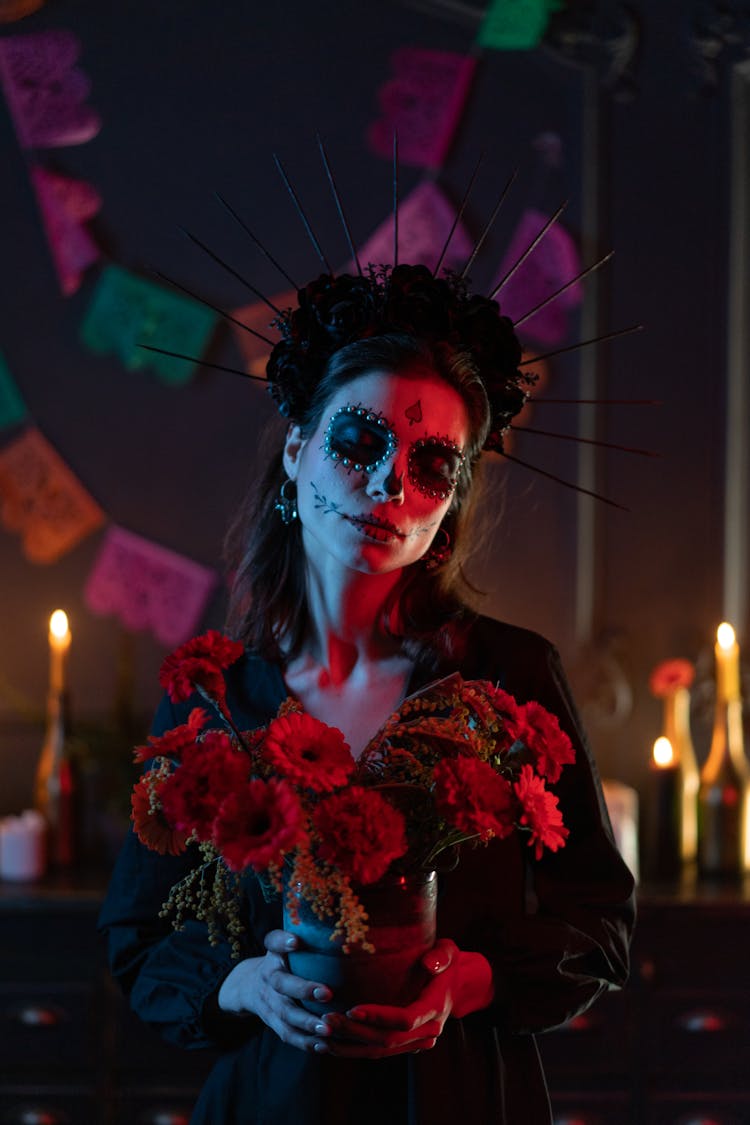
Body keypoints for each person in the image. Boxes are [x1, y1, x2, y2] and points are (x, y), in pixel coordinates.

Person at [99, 263, 636, 1125]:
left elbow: (599, 918)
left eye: (433, 464)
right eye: (359, 440)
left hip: (458, 1096)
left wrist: (465, 981)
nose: (390, 484)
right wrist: (244, 984)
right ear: (296, 447)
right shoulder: (217, 693)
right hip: (277, 1098)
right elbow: (139, 936)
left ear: (451, 506)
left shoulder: (509, 677)